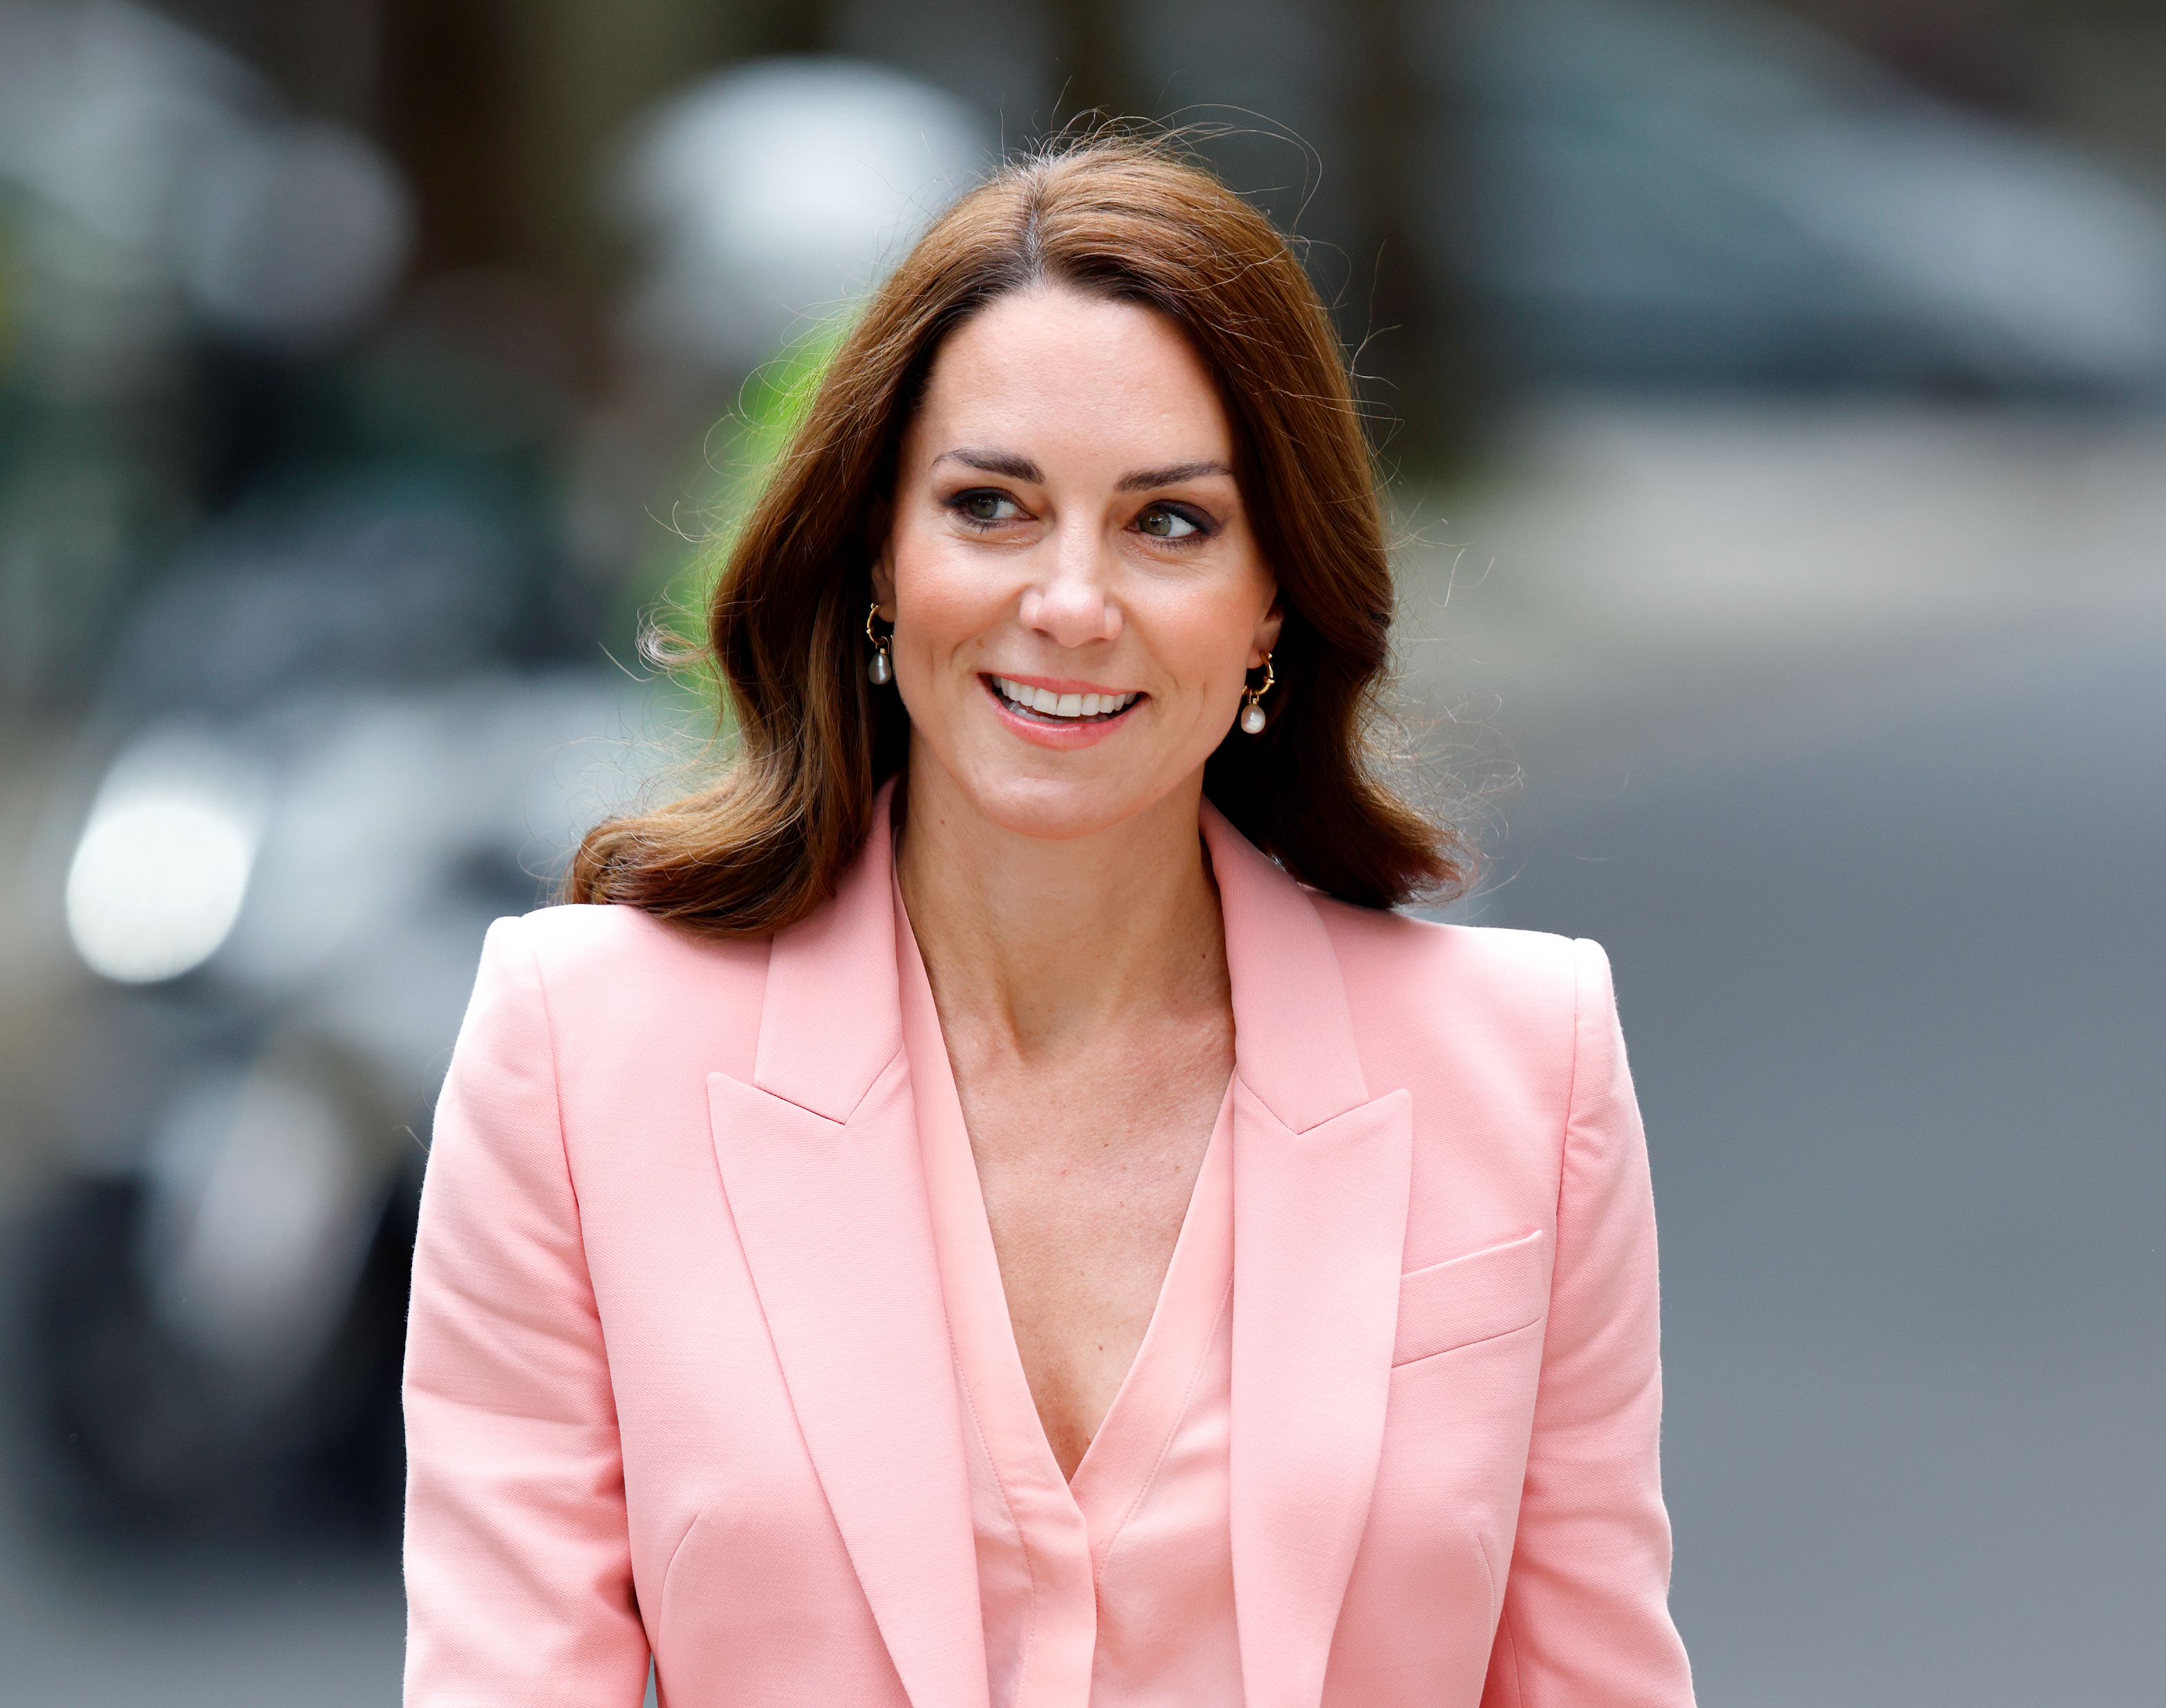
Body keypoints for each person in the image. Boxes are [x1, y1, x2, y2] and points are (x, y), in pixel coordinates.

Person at [401, 135, 1695, 1708]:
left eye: (1167, 524)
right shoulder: (576, 1046)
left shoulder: (1526, 1068)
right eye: (993, 506)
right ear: (881, 555)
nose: (1071, 603)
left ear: (1274, 593)